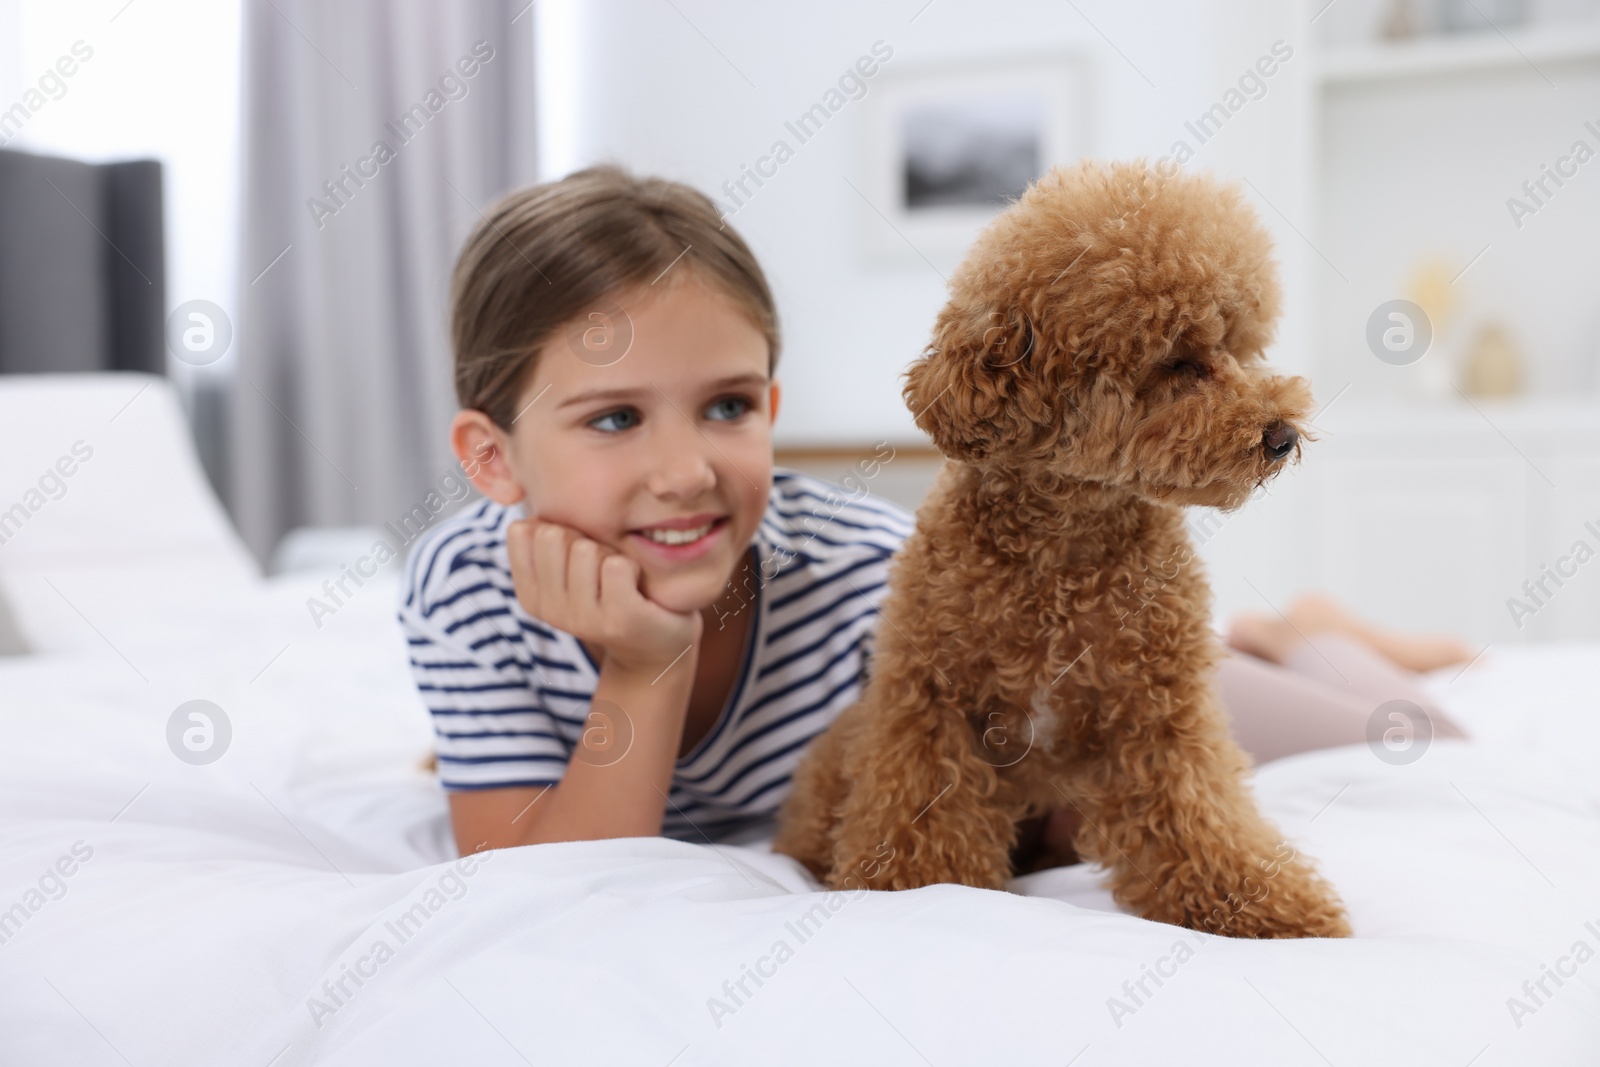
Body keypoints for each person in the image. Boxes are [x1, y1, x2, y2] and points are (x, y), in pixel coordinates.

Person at [398, 165, 1475, 862]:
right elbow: (531, 882)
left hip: (1089, 648)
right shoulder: (463, 591)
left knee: (1425, 735)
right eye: (613, 417)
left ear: (771, 409)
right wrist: (643, 667)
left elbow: (1048, 779)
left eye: (726, 405)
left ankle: (1306, 631)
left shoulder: (870, 572)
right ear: (492, 460)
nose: (682, 470)